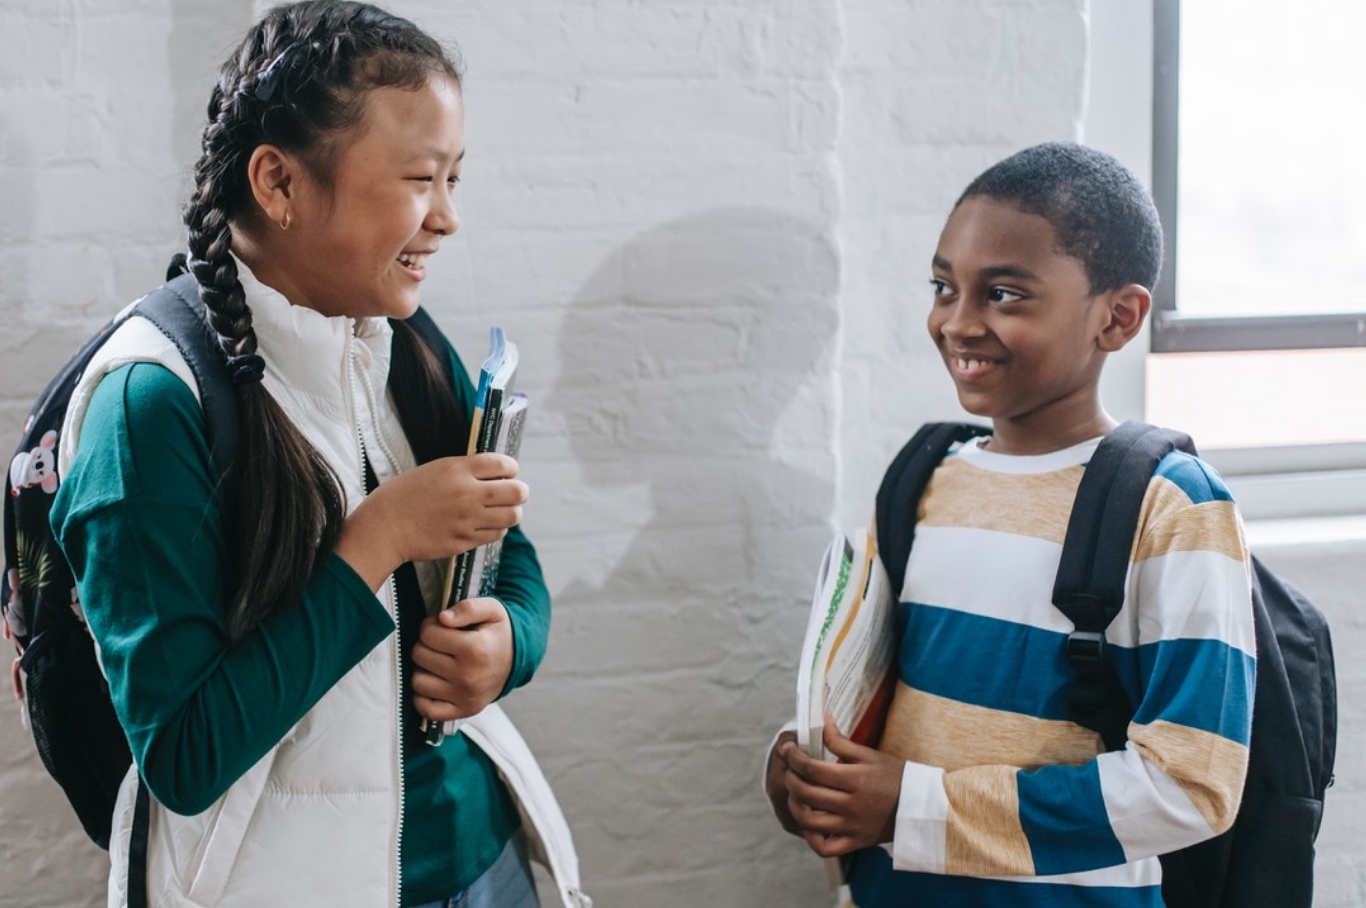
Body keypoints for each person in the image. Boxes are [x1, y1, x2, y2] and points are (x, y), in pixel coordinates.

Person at [48, 3, 585, 907]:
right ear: (279, 182)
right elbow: (184, 757)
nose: (448, 218)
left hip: (482, 862)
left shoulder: (404, 340)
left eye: (456, 178)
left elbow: (509, 555)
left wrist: (509, 643)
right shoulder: (148, 407)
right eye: (420, 179)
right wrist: (376, 542)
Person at [764, 142, 1256, 907]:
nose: (958, 323)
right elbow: (875, 693)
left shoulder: (1172, 506)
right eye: (942, 286)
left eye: (1004, 295)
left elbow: (1192, 784)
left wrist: (911, 806)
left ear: (1118, 317)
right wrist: (812, 768)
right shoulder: (921, 480)